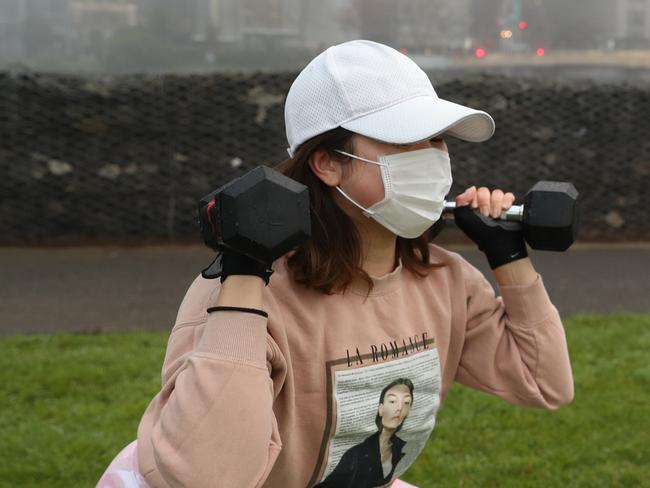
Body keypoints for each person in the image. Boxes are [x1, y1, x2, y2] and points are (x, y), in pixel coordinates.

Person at [100, 39, 574, 488]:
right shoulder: (241, 292)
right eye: (405, 140)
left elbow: (545, 383)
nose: (432, 159)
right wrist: (243, 275)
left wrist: (508, 257)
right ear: (328, 163)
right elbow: (208, 475)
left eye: (436, 139)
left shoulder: (446, 280)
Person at [314, 378, 414, 488]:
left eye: (406, 402)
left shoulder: (400, 447)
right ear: (380, 409)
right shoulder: (355, 455)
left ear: (408, 411)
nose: (399, 408)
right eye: (392, 401)